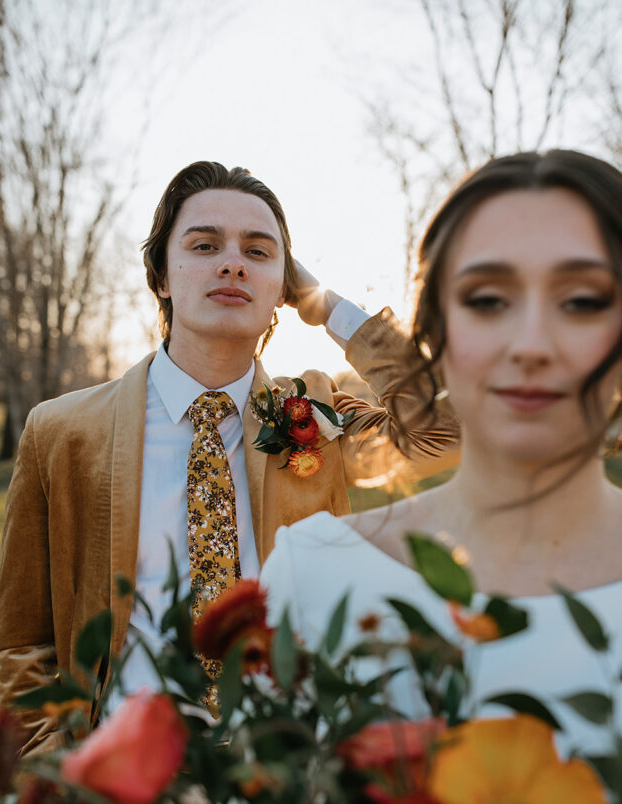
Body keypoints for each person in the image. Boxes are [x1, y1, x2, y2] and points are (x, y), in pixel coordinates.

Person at [0, 160, 458, 755]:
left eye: (259, 252)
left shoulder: (318, 414)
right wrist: (53, 771)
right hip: (122, 788)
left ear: (281, 289)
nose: (232, 262)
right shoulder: (60, 431)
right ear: (162, 275)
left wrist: (325, 305)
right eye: (205, 245)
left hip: (286, 779)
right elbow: (21, 641)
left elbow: (439, 433)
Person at [261, 149, 622, 758]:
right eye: (487, 300)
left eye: (582, 300)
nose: (530, 344)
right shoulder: (315, 579)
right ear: (434, 332)